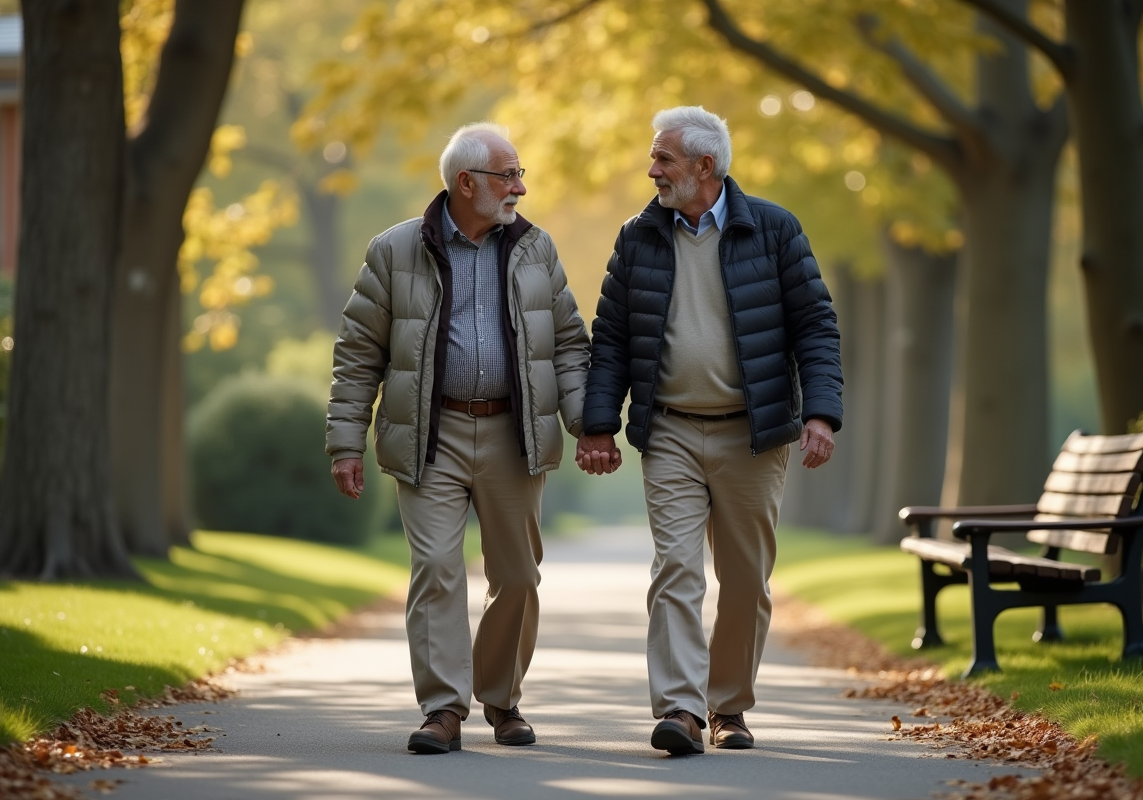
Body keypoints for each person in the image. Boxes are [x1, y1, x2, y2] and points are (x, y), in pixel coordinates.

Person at [577, 106, 843, 755]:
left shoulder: (775, 230)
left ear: (705, 166)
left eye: (663, 159)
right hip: (668, 429)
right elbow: (609, 337)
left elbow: (815, 325)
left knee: (746, 577)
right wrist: (598, 425)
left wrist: (821, 413)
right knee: (675, 567)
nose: (652, 170)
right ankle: (681, 709)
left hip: (753, 434)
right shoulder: (638, 236)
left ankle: (729, 708)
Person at [326, 122, 591, 755]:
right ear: (465, 183)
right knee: (438, 568)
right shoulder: (393, 251)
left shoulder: (536, 250)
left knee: (518, 576)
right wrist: (344, 441)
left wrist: (592, 426)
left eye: (521, 174)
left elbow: (570, 345)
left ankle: (501, 698)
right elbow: (358, 352)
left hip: (513, 433)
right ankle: (443, 709)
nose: (520, 188)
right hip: (430, 434)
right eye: (509, 175)